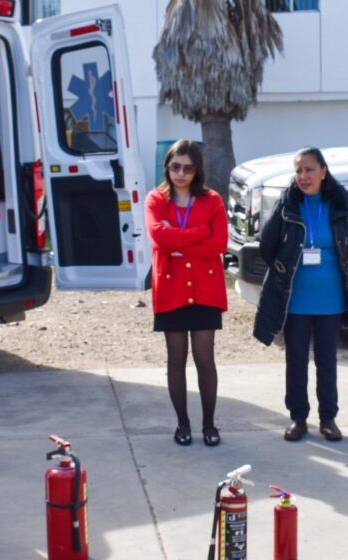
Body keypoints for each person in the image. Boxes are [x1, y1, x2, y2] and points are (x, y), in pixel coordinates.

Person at [253, 147, 348, 442]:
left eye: (309, 169)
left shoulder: (341, 203)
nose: (303, 176)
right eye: (298, 170)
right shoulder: (288, 204)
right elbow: (268, 244)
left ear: (323, 172)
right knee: (296, 360)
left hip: (330, 300)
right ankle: (298, 418)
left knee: (327, 361)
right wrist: (283, 267)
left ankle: (328, 418)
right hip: (296, 299)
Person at [145, 140, 227, 447]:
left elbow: (218, 243)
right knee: (175, 358)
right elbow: (158, 236)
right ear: (167, 167)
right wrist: (197, 233)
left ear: (197, 170)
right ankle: (182, 424)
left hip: (205, 289)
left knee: (205, 358)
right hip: (171, 288)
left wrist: (177, 240)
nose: (181, 173)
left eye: (188, 168)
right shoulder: (155, 200)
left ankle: (209, 423)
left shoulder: (212, 200)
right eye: (175, 166)